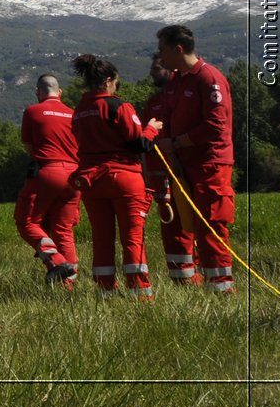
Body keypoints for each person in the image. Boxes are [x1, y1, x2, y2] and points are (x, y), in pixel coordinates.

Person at [151, 24, 235, 294]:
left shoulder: (209, 78)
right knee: (185, 223)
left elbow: (215, 126)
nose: (159, 57)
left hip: (210, 163)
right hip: (182, 165)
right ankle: (190, 281)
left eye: (162, 50)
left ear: (178, 49)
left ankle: (221, 287)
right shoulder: (178, 81)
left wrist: (176, 142)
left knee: (211, 222)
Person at [69, 54, 161, 299]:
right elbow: (138, 143)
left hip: (92, 181)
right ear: (109, 80)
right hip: (123, 177)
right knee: (132, 237)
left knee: (102, 238)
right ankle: (140, 292)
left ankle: (105, 291)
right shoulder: (118, 106)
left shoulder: (79, 110)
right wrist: (152, 129)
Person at [15, 73, 80, 288]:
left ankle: (57, 261)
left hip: (47, 172)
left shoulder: (33, 111)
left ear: (38, 92)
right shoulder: (73, 114)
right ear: (60, 92)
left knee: (27, 222)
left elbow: (29, 146)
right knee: (63, 229)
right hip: (74, 176)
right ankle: (69, 283)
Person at [140, 56, 200, 285]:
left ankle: (204, 273)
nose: (151, 73)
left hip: (189, 172)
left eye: (156, 68)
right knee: (173, 229)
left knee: (197, 223)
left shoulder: (187, 96)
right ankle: (183, 278)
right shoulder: (154, 102)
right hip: (163, 178)